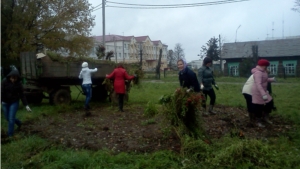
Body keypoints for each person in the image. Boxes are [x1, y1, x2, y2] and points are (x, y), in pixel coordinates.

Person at [1, 68, 32, 137]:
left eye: (15, 79)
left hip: (14, 102)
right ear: (10, 77)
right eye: (12, 78)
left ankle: (10, 135)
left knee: (11, 118)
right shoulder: (4, 82)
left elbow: (22, 95)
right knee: (7, 118)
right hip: (5, 103)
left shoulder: (19, 84)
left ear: (17, 78)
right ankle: (19, 123)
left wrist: (26, 105)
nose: (13, 80)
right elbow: (1, 93)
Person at [251, 59, 276, 127]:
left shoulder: (263, 71)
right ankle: (258, 121)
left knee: (270, 103)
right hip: (258, 92)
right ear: (262, 65)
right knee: (259, 106)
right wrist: (263, 94)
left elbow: (265, 79)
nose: (266, 67)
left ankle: (265, 117)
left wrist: (272, 79)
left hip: (263, 91)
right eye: (266, 66)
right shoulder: (258, 73)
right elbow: (258, 84)